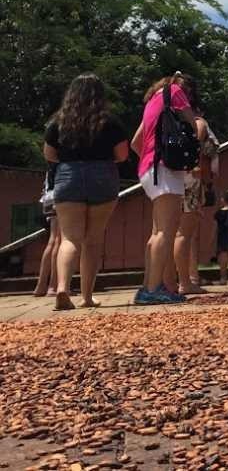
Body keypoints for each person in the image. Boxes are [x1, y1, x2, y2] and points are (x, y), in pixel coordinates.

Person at [42, 74, 128, 310]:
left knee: (70, 238)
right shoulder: (110, 122)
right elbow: (122, 155)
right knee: (93, 239)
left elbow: (49, 154)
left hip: (68, 175)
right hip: (102, 175)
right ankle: (87, 297)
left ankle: (62, 288)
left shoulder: (58, 122)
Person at [130, 73, 204, 305]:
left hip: (148, 168)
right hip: (165, 168)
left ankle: (149, 285)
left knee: (157, 232)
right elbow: (193, 125)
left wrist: (151, 157)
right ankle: (152, 290)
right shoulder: (175, 92)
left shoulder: (154, 99)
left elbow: (136, 142)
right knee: (166, 232)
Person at [175, 122, 218, 295]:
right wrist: (207, 183)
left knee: (169, 232)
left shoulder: (167, 120)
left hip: (170, 181)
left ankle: (173, 279)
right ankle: (188, 280)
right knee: (186, 235)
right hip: (191, 182)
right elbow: (204, 153)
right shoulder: (199, 123)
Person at [32, 168, 61, 298]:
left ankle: (40, 286)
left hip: (48, 197)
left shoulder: (50, 164)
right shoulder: (65, 157)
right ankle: (53, 286)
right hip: (60, 196)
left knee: (52, 240)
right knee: (59, 241)